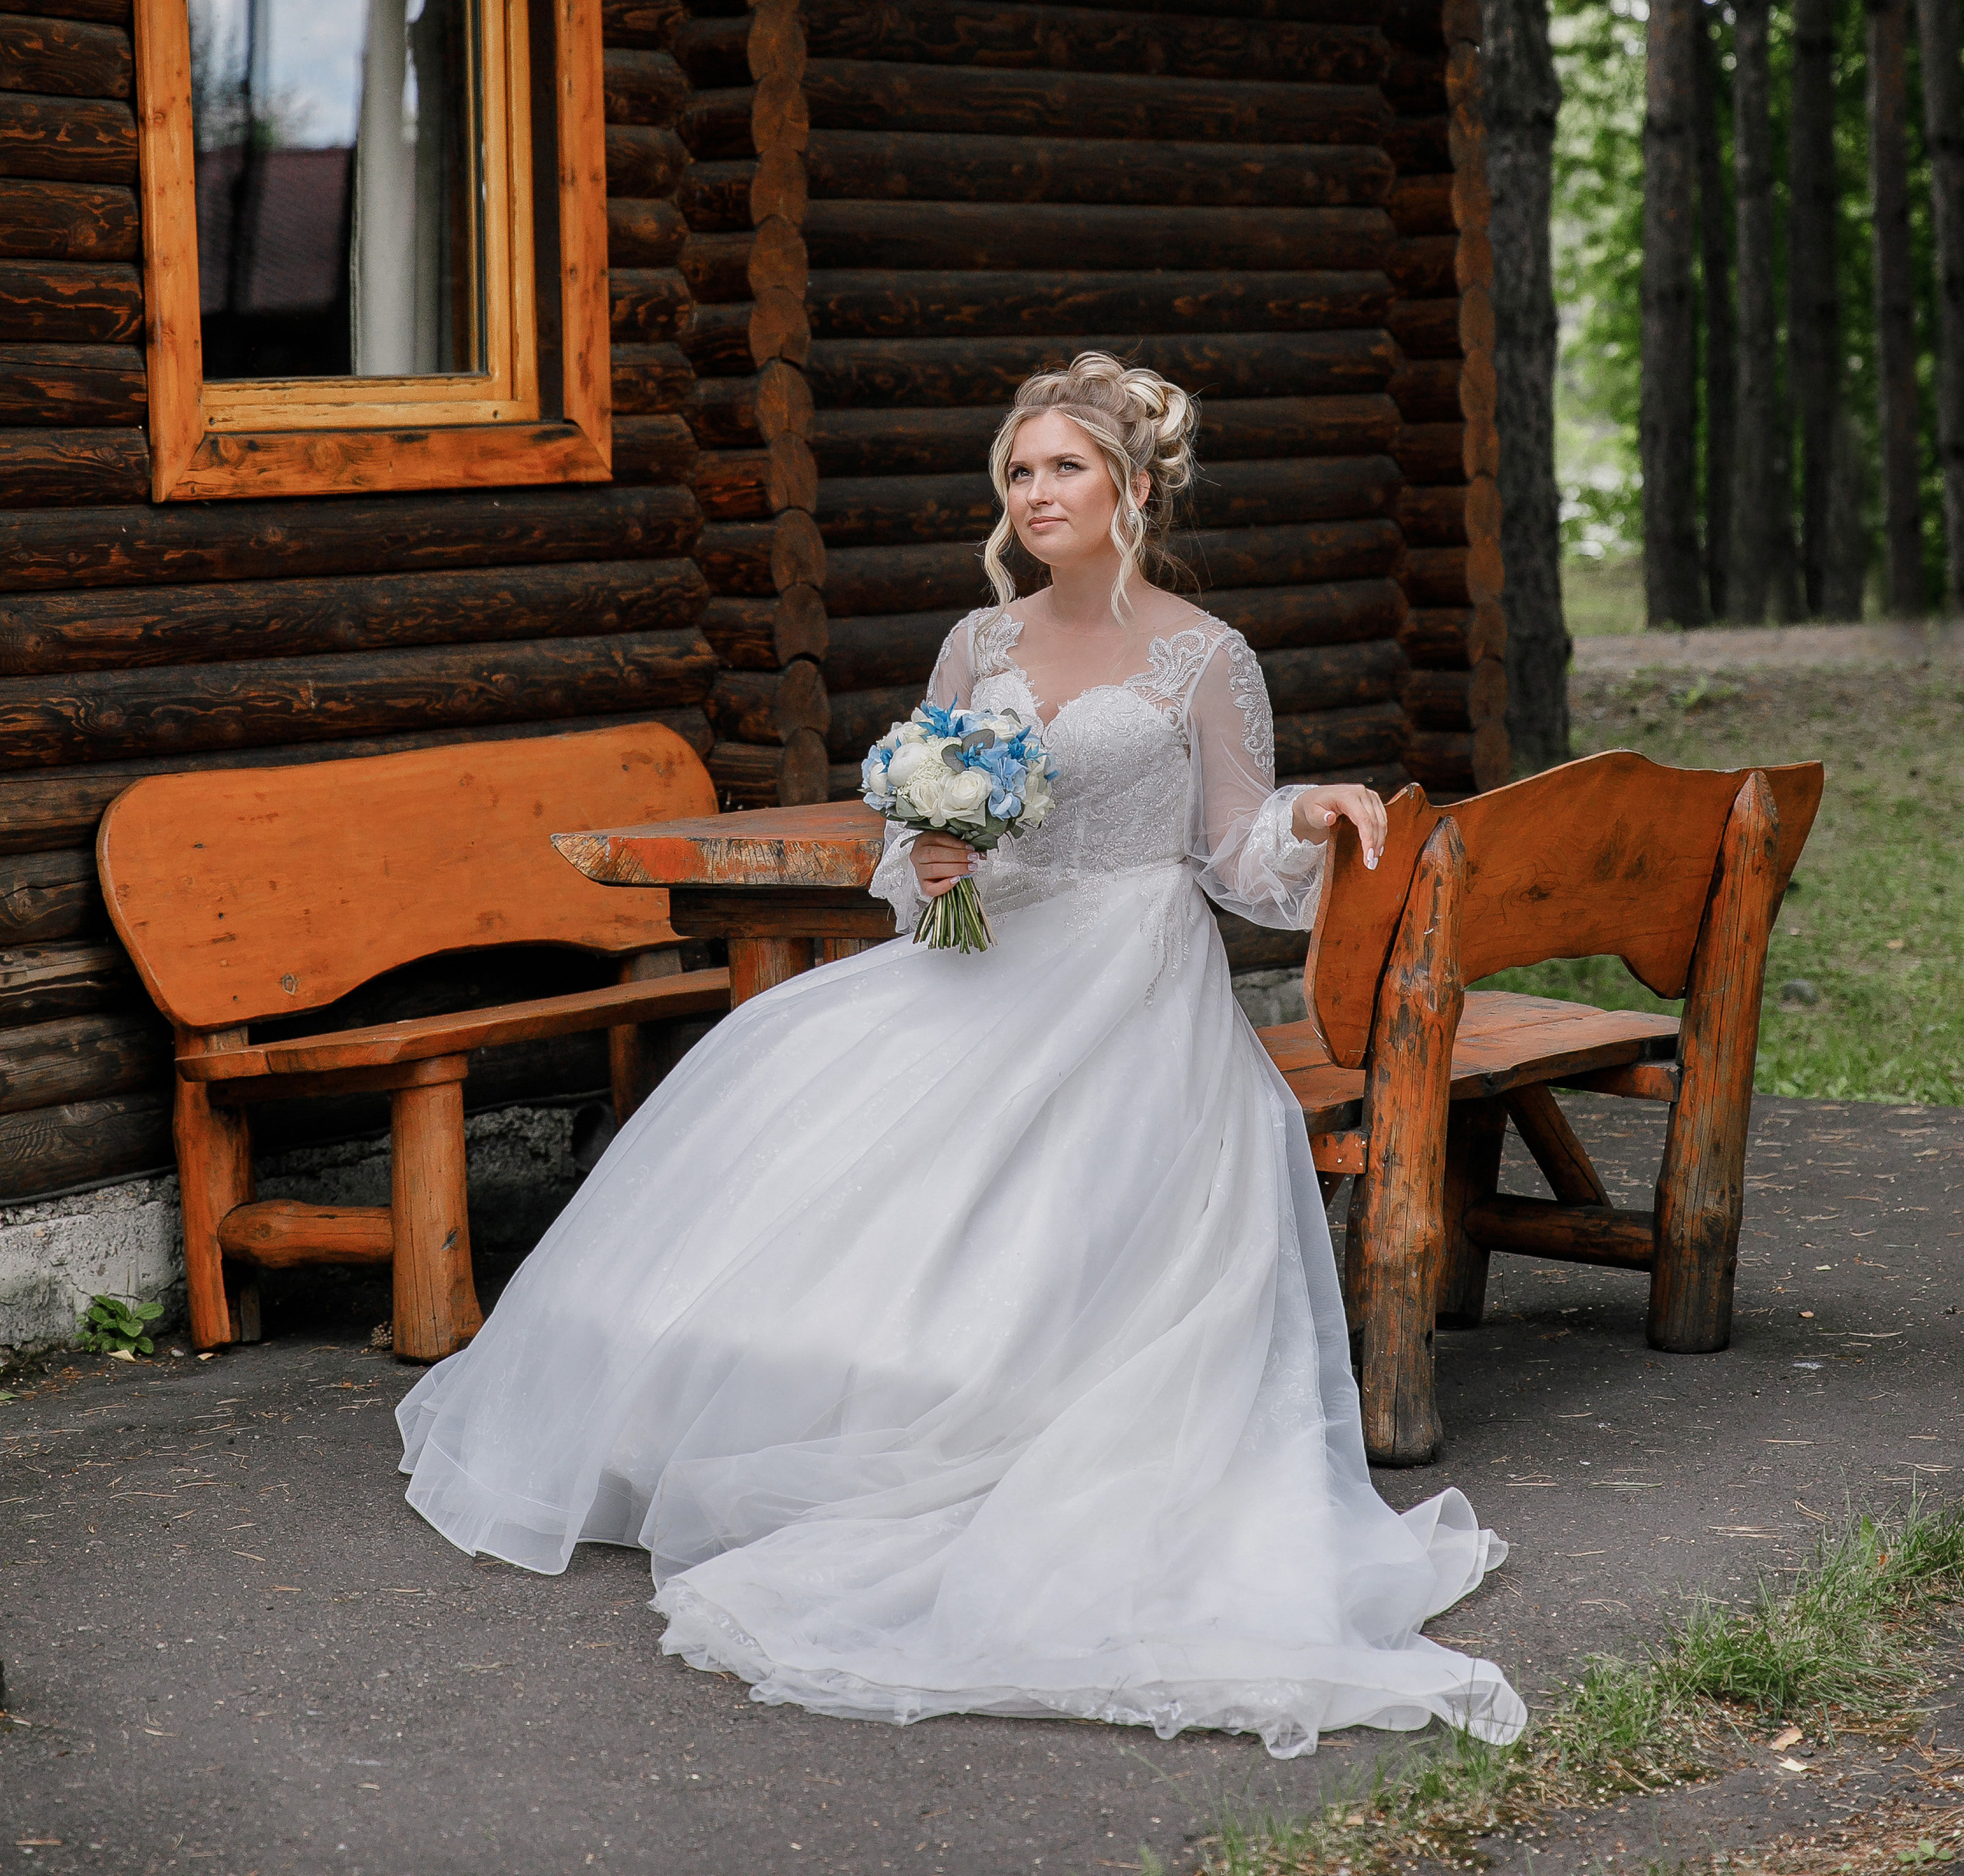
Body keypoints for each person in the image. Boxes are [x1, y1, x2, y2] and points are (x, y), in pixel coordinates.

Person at [398, 352, 1524, 1756]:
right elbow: (910, 848)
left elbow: (1228, 849)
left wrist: (1307, 816)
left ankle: (1008, 1439)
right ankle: (788, 1437)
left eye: (1064, 468)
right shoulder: (979, 647)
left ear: (1133, 488)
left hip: (1127, 977)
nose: (1035, 492)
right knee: (795, 1108)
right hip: (979, 963)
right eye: (1019, 470)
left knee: (1058, 1212)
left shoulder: (1205, 655)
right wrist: (925, 855)